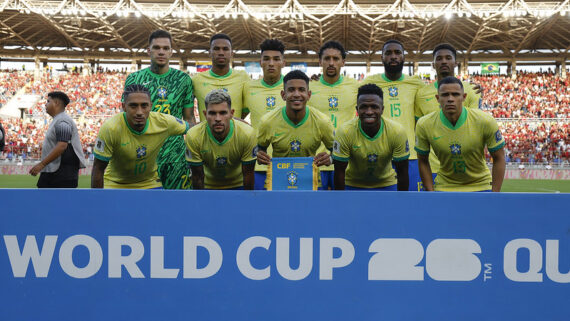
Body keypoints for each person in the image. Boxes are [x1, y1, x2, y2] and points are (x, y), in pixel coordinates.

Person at [124, 29, 195, 190]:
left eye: (165, 48)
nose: (161, 52)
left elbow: (189, 119)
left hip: (175, 156)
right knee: (144, 207)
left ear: (171, 52)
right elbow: (126, 116)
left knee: (178, 205)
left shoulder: (183, 79)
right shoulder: (135, 79)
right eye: (156, 48)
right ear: (149, 51)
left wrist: (193, 153)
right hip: (144, 155)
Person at [415, 76, 506, 192]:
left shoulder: (485, 121)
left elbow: (499, 157)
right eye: (445, 95)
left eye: (455, 94)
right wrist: (430, 192)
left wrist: (495, 193)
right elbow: (422, 160)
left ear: (464, 97)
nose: (450, 99)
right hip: (444, 186)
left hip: (481, 185)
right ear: (437, 98)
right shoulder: (424, 124)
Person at [91, 85, 189, 189]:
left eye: (144, 106)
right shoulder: (110, 128)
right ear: (124, 107)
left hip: (149, 183)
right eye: (133, 106)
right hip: (115, 183)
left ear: (150, 106)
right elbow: (98, 169)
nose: (139, 112)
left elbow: (192, 129)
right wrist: (97, 200)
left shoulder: (163, 122)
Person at [415, 43, 482, 190]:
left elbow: (475, 128)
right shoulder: (421, 94)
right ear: (433, 64)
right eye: (439, 58)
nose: (444, 61)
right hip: (432, 167)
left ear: (455, 63)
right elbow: (419, 130)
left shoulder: (470, 91)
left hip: (465, 168)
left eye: (448, 58)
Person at [362, 40, 424, 191]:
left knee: (409, 204)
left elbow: (440, 93)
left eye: (397, 53)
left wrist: (469, 87)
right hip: (379, 154)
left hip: (410, 155)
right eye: (388, 53)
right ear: (382, 58)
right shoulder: (369, 82)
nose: (393, 56)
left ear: (404, 57)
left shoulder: (417, 84)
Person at [333, 84, 409, 190]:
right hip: (353, 184)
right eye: (364, 107)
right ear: (357, 109)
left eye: (374, 107)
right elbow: (339, 172)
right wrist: (341, 202)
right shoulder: (345, 131)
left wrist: (401, 202)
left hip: (387, 184)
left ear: (382, 109)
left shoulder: (397, 131)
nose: (369, 112)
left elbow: (403, 172)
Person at [257, 70, 334, 172]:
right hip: (279, 182)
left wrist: (331, 158)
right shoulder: (267, 121)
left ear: (309, 95)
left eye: (301, 90)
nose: (296, 94)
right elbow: (259, 150)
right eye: (291, 90)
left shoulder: (322, 122)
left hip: (311, 182)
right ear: (283, 95)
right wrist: (259, 156)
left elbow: (338, 151)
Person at [308, 40, 359, 190]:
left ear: (343, 62)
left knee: (345, 209)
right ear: (320, 61)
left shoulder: (355, 86)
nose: (331, 63)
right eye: (327, 59)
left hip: (346, 160)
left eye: (336, 59)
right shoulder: (308, 87)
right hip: (316, 160)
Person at [185, 89, 257, 190]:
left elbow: (248, 175)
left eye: (223, 113)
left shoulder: (247, 134)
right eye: (212, 113)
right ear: (205, 114)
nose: (218, 118)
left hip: (238, 185)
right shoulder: (193, 136)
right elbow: (197, 177)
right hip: (208, 186)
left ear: (231, 113)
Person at [242, 39, 286, 190]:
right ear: (260, 62)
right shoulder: (248, 88)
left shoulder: (294, 88)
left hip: (287, 162)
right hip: (257, 163)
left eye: (276, 59)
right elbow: (237, 118)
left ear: (283, 62)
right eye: (266, 59)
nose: (271, 63)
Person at [29, 91, 86, 188]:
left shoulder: (62, 120)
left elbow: (62, 145)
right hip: (56, 172)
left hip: (60, 174)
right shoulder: (58, 120)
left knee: (48, 201)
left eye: (48, 101)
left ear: (56, 103)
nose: (45, 104)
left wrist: (42, 164)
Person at [193, 33, 250, 121]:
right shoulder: (196, 80)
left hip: (235, 134)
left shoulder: (243, 77)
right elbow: (187, 110)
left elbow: (246, 109)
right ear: (209, 53)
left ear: (231, 53)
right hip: (206, 134)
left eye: (225, 49)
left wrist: (231, 122)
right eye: (216, 49)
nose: (221, 53)